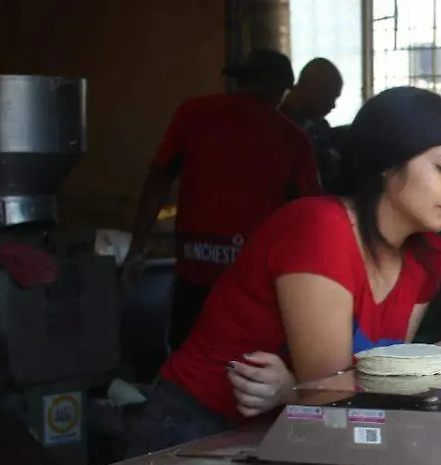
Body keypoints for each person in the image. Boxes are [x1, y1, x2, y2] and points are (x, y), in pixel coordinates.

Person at [125, 87, 441, 457]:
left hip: (288, 434)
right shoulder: (321, 230)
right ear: (388, 162)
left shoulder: (427, 254)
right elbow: (328, 395)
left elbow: (376, 372)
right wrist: (301, 390)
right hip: (198, 428)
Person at [123, 48, 320, 352]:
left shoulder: (193, 114)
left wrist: (137, 250)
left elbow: (157, 181)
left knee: (187, 363)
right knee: (246, 377)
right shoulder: (293, 138)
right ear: (278, 87)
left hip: (194, 277)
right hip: (254, 287)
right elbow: (310, 217)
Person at [281, 58, 345, 192]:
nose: (333, 106)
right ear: (313, 89)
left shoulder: (320, 126)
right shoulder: (277, 128)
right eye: (330, 97)